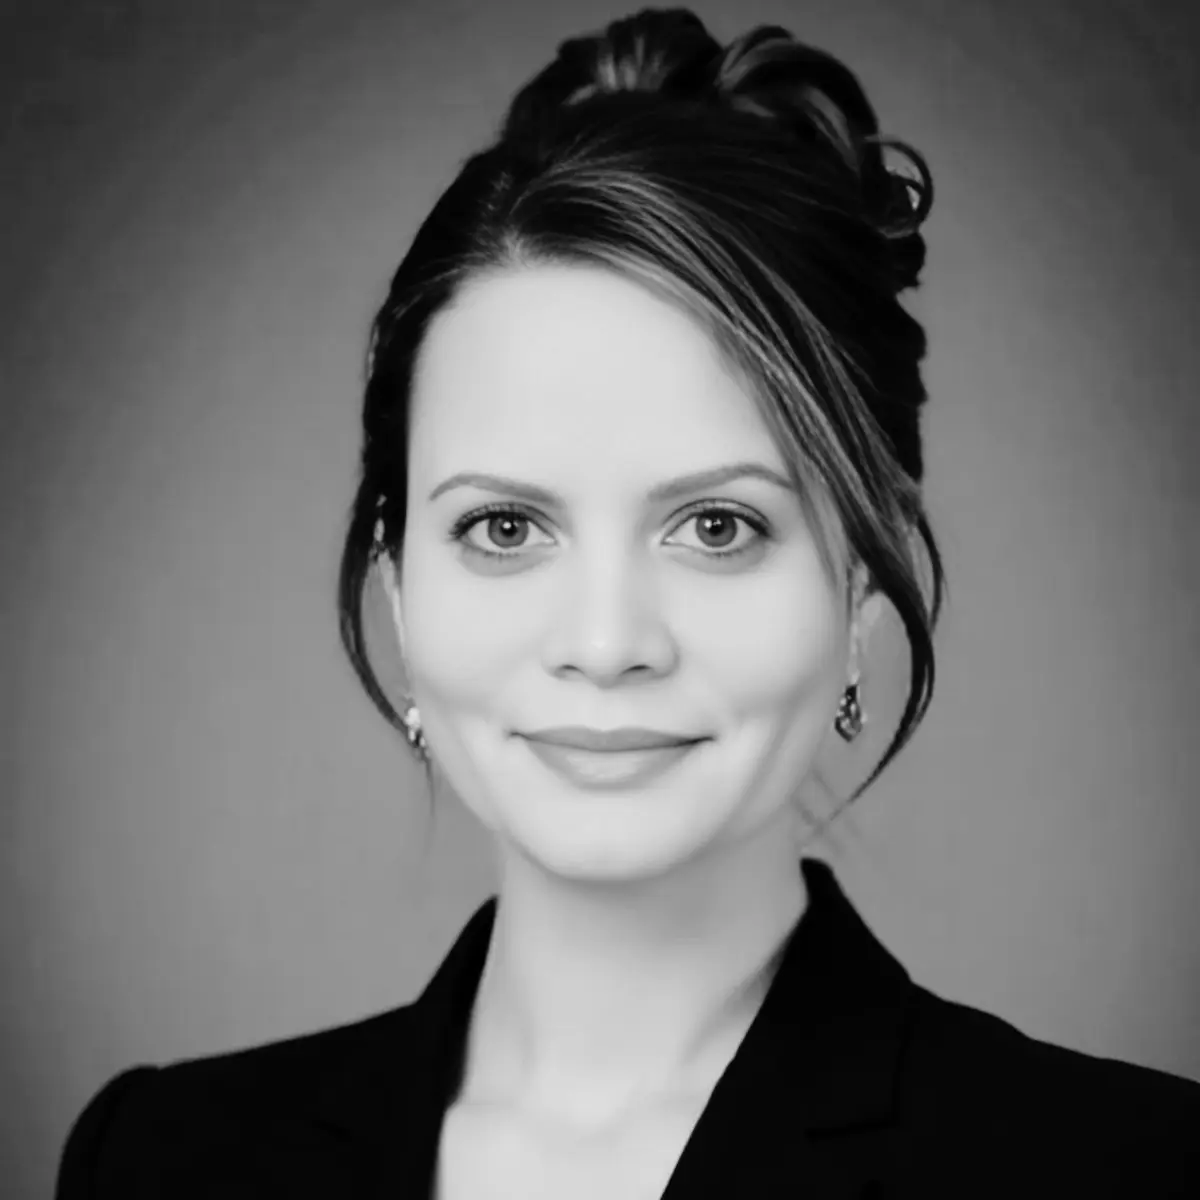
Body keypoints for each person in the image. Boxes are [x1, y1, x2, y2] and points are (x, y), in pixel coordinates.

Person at [55, 8, 1199, 1198]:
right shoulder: (157, 1161)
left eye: (717, 527)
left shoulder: (1132, 1170)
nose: (606, 644)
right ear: (396, 584)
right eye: (506, 528)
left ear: (864, 580)